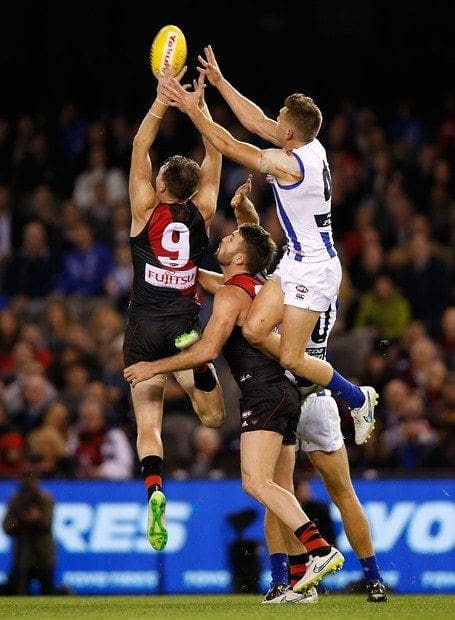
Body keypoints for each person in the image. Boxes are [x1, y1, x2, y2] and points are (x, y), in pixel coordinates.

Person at [124, 177, 345, 595]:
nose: (221, 240)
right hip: (284, 392)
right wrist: (242, 212)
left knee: (256, 484)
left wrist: (152, 365)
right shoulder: (257, 282)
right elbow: (222, 263)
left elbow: (208, 349)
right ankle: (298, 581)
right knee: (277, 489)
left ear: (239, 256)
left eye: (230, 238)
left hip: (263, 392)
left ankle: (320, 551)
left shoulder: (231, 296)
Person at [161, 46, 378, 447]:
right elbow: (255, 120)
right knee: (257, 329)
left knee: (292, 358)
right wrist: (221, 84)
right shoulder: (311, 146)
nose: (274, 120)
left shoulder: (289, 164)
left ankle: (355, 397)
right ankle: (313, 376)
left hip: (314, 269)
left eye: (281, 119)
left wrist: (193, 109)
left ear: (290, 134)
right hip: (296, 260)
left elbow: (228, 146)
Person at [123, 69, 226, 552]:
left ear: (162, 182)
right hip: (185, 328)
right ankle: (199, 369)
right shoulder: (202, 211)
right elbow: (217, 151)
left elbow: (139, 148)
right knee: (211, 418)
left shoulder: (145, 208)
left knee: (149, 426)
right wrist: (197, 109)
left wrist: (163, 101)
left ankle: (155, 490)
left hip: (143, 329)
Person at [264, 390, 388, 603]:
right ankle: (374, 580)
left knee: (275, 493)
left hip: (281, 399)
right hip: (317, 400)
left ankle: (281, 583)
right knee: (344, 493)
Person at [0, 471, 70, 595]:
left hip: (43, 555)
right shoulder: (16, 500)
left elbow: (46, 523)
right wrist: (21, 521)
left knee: (48, 592)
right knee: (15, 591)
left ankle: (63, 594)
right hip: (22, 556)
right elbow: (7, 527)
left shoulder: (45, 499)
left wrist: (34, 518)